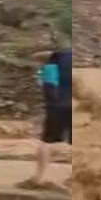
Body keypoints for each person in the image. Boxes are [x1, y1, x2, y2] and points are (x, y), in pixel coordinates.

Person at [32, 44, 72, 186]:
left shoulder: (53, 63)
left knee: (46, 141)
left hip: (57, 105)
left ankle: (39, 178)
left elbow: (49, 88)